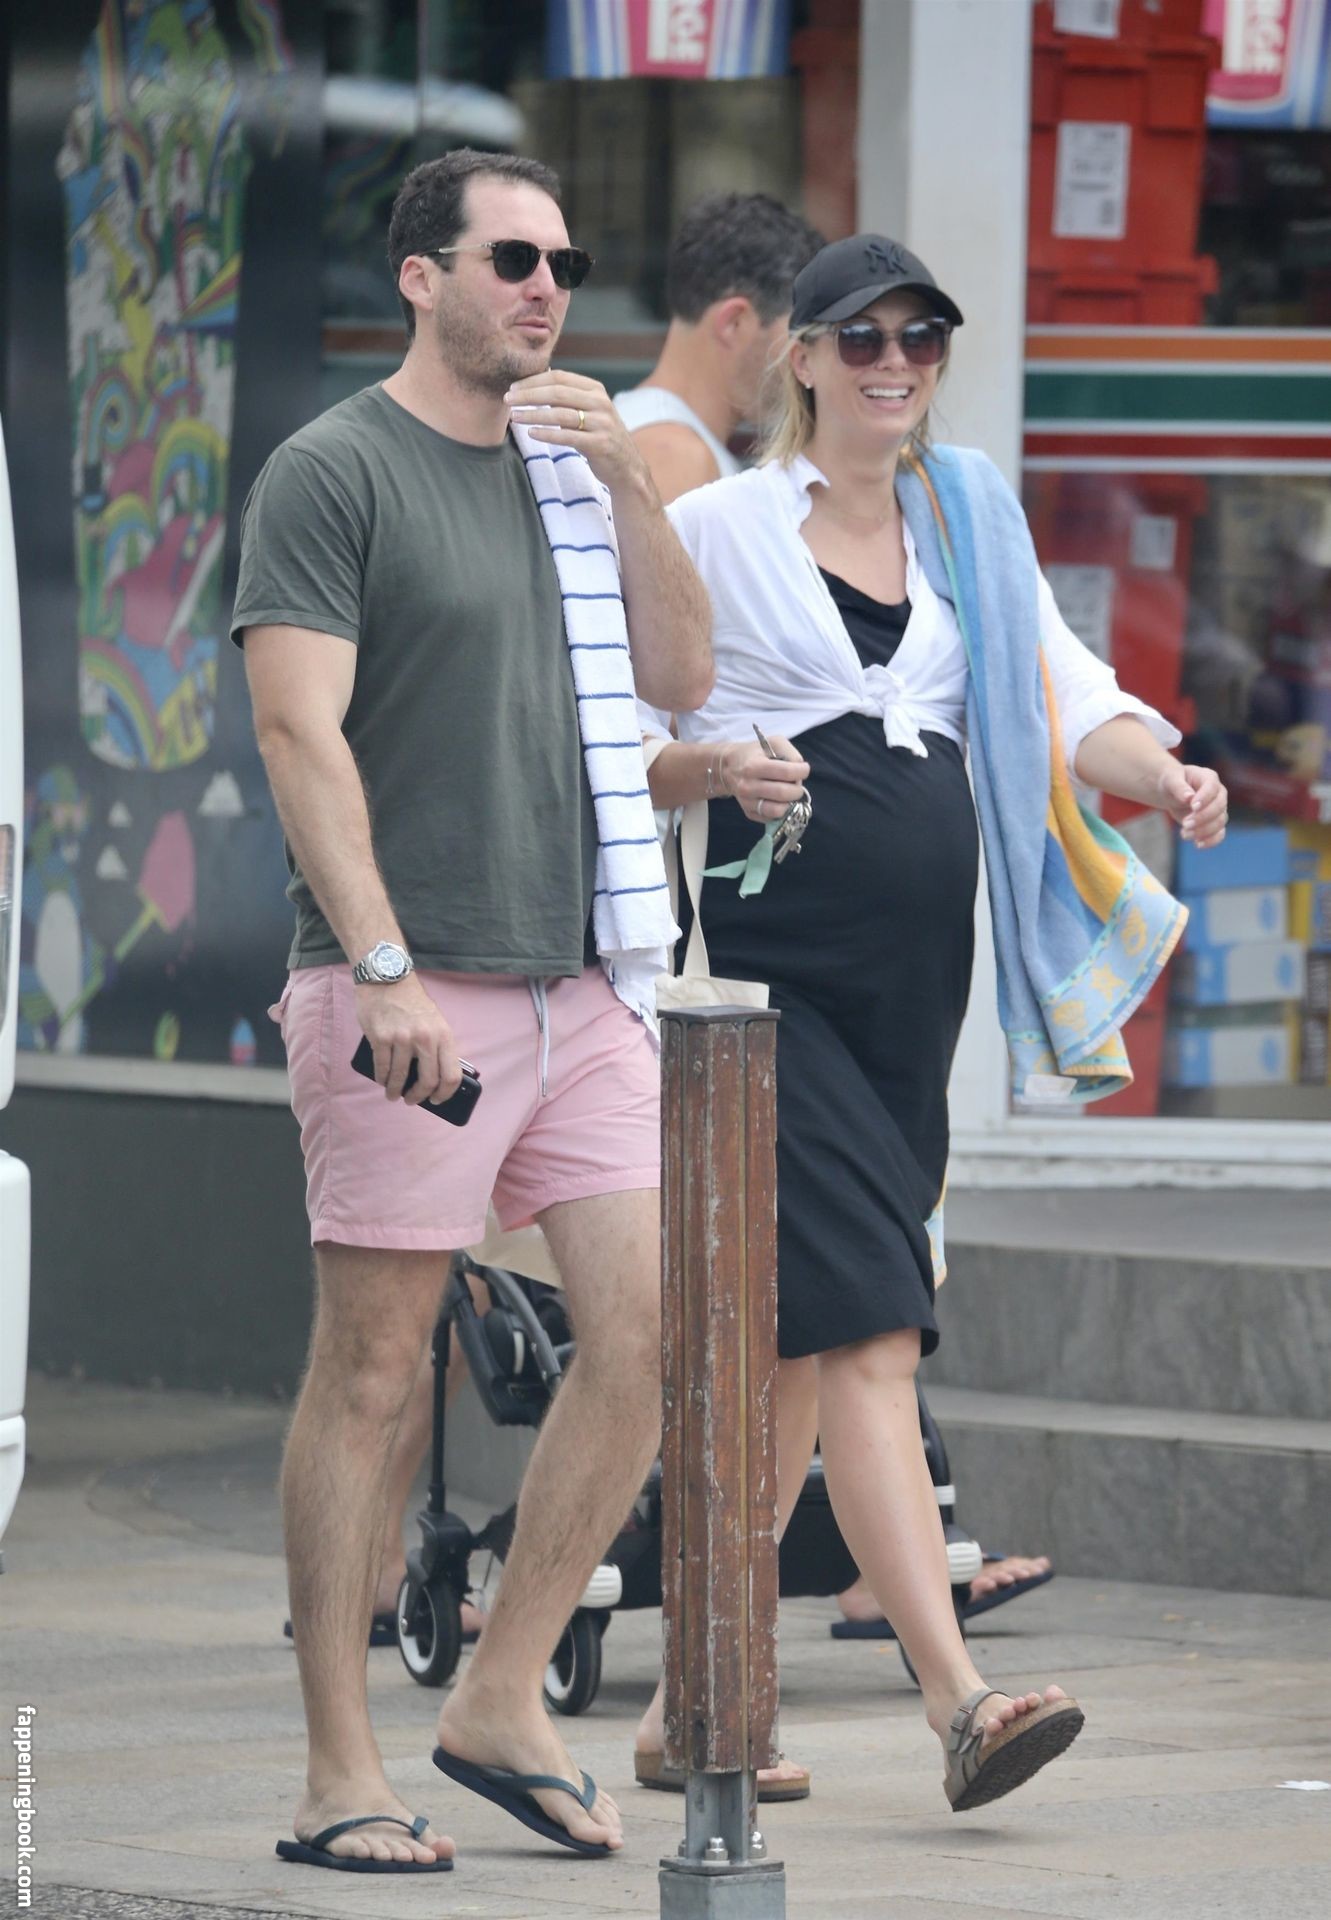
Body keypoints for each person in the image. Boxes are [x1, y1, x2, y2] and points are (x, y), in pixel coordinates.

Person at [638, 232, 1228, 1812]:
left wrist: (1164, 775)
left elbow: (1059, 696)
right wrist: (716, 764)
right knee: (870, 1335)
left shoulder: (965, 521)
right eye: (861, 337)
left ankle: (689, 1701)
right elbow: (613, 735)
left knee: (793, 1366)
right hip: (764, 991)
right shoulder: (717, 525)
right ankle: (956, 1701)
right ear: (801, 358)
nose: (893, 363)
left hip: (911, 1012)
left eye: (920, 338)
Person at [233, 147, 711, 1871]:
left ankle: (501, 1693)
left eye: (563, 262)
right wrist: (376, 969)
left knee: (654, 1336)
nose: (546, 288)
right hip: (406, 978)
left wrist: (635, 488)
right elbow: (297, 734)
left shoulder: (577, 470)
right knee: (373, 1371)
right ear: (420, 276)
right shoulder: (332, 469)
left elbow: (678, 679)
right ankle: (335, 1774)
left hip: (581, 976)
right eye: (512, 258)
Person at [614, 190, 824, 495]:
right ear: (734, 322)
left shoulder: (652, 431)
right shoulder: (675, 456)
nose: (806, 358)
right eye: (800, 335)